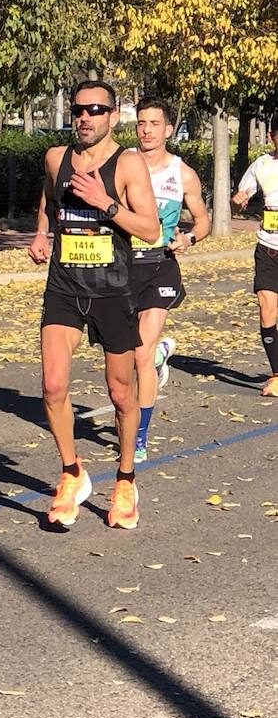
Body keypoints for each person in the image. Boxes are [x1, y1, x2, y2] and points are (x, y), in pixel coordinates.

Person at [27, 80, 159, 529]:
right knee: (52, 385)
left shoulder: (128, 164)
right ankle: (71, 473)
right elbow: (48, 198)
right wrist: (42, 232)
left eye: (96, 110)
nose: (85, 118)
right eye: (79, 110)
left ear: (113, 115)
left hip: (112, 288)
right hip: (64, 286)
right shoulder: (55, 158)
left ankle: (125, 480)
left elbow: (150, 230)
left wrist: (106, 204)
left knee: (121, 392)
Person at [130, 97, 209, 462]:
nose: (146, 130)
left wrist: (188, 238)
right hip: (122, 267)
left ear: (168, 129)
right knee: (127, 356)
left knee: (140, 354)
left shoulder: (183, 173)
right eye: (141, 123)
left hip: (161, 265)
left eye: (154, 124)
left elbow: (202, 220)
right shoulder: (122, 164)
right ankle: (162, 356)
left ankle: (139, 437)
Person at [232, 114, 278, 395]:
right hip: (268, 248)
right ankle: (277, 373)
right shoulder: (261, 165)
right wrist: (238, 201)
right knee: (266, 308)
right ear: (272, 136)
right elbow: (240, 198)